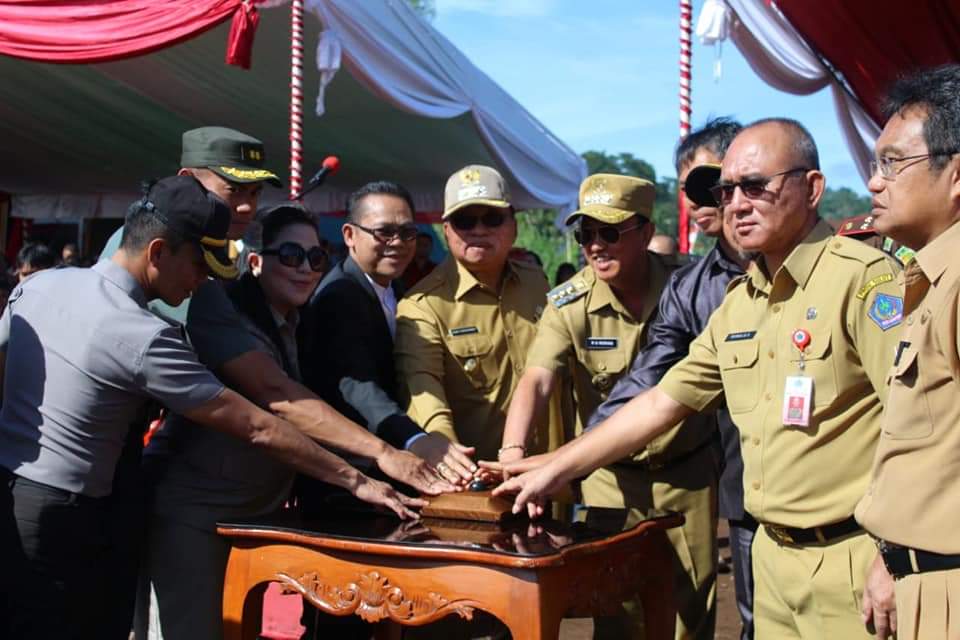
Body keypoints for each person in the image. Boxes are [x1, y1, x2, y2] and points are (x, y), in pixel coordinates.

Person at [494, 118, 904, 640]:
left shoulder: (865, 281)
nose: (735, 204)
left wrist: (893, 553)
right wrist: (556, 468)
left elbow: (919, 424)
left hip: (852, 558)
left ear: (813, 188)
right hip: (771, 558)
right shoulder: (739, 303)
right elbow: (660, 400)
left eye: (755, 187)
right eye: (727, 191)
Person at [0, 177, 423, 640]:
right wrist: (357, 478)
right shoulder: (142, 335)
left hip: (17, 494)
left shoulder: (40, 287)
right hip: (68, 518)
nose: (205, 282)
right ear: (158, 252)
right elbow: (258, 424)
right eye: (200, 265)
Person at [500, 172, 720, 640]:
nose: (595, 246)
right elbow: (538, 379)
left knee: (689, 612)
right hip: (610, 480)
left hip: (687, 473)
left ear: (644, 231)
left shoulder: (690, 286)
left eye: (609, 232)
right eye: (585, 234)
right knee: (617, 614)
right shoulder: (569, 302)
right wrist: (513, 454)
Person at [855, 64, 960, 640]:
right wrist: (890, 554)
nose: (875, 181)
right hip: (917, 578)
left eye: (893, 163)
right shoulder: (927, 282)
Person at [300, 181, 477, 499]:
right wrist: (414, 439)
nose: (398, 243)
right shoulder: (338, 296)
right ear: (350, 236)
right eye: (384, 233)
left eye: (408, 233)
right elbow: (359, 388)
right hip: (351, 482)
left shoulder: (395, 289)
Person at [395, 164, 566, 464]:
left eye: (492, 218)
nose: (478, 230)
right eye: (464, 220)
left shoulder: (536, 280)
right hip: (481, 483)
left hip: (552, 471)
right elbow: (423, 392)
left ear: (513, 224)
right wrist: (447, 453)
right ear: (446, 230)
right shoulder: (423, 305)